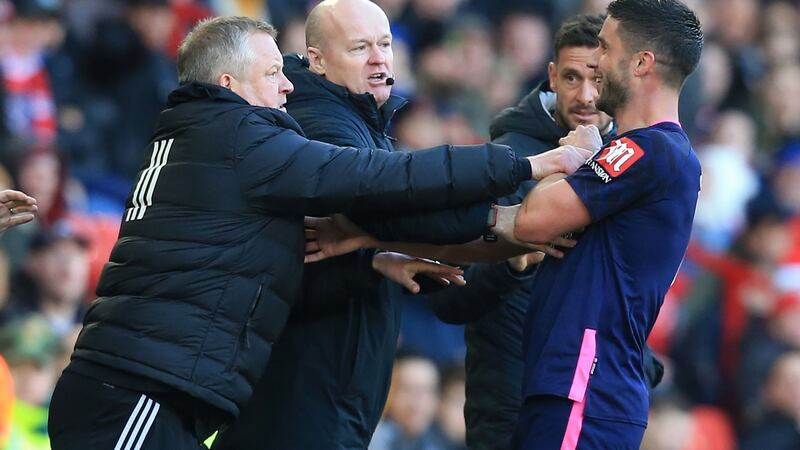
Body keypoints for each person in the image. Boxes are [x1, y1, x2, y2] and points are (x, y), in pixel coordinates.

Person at [46, 15, 582, 450]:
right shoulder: (244, 138)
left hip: (147, 387)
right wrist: (524, 170)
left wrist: (372, 255)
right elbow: (382, 179)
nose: (288, 82)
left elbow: (252, 260)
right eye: (274, 72)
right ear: (229, 85)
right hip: (141, 390)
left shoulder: (205, 136)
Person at [212, 2, 588, 450]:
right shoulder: (319, 125)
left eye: (386, 45)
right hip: (300, 391)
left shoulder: (356, 121)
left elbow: (366, 218)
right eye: (360, 48)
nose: (379, 59)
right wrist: (516, 198)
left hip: (331, 387)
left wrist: (372, 257)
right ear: (317, 60)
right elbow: (393, 200)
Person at [506, 1, 703, 448]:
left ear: (641, 63)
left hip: (585, 388)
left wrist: (569, 158)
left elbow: (534, 221)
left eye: (605, 47)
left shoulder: (646, 152)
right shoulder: (650, 152)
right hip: (579, 387)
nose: (595, 59)